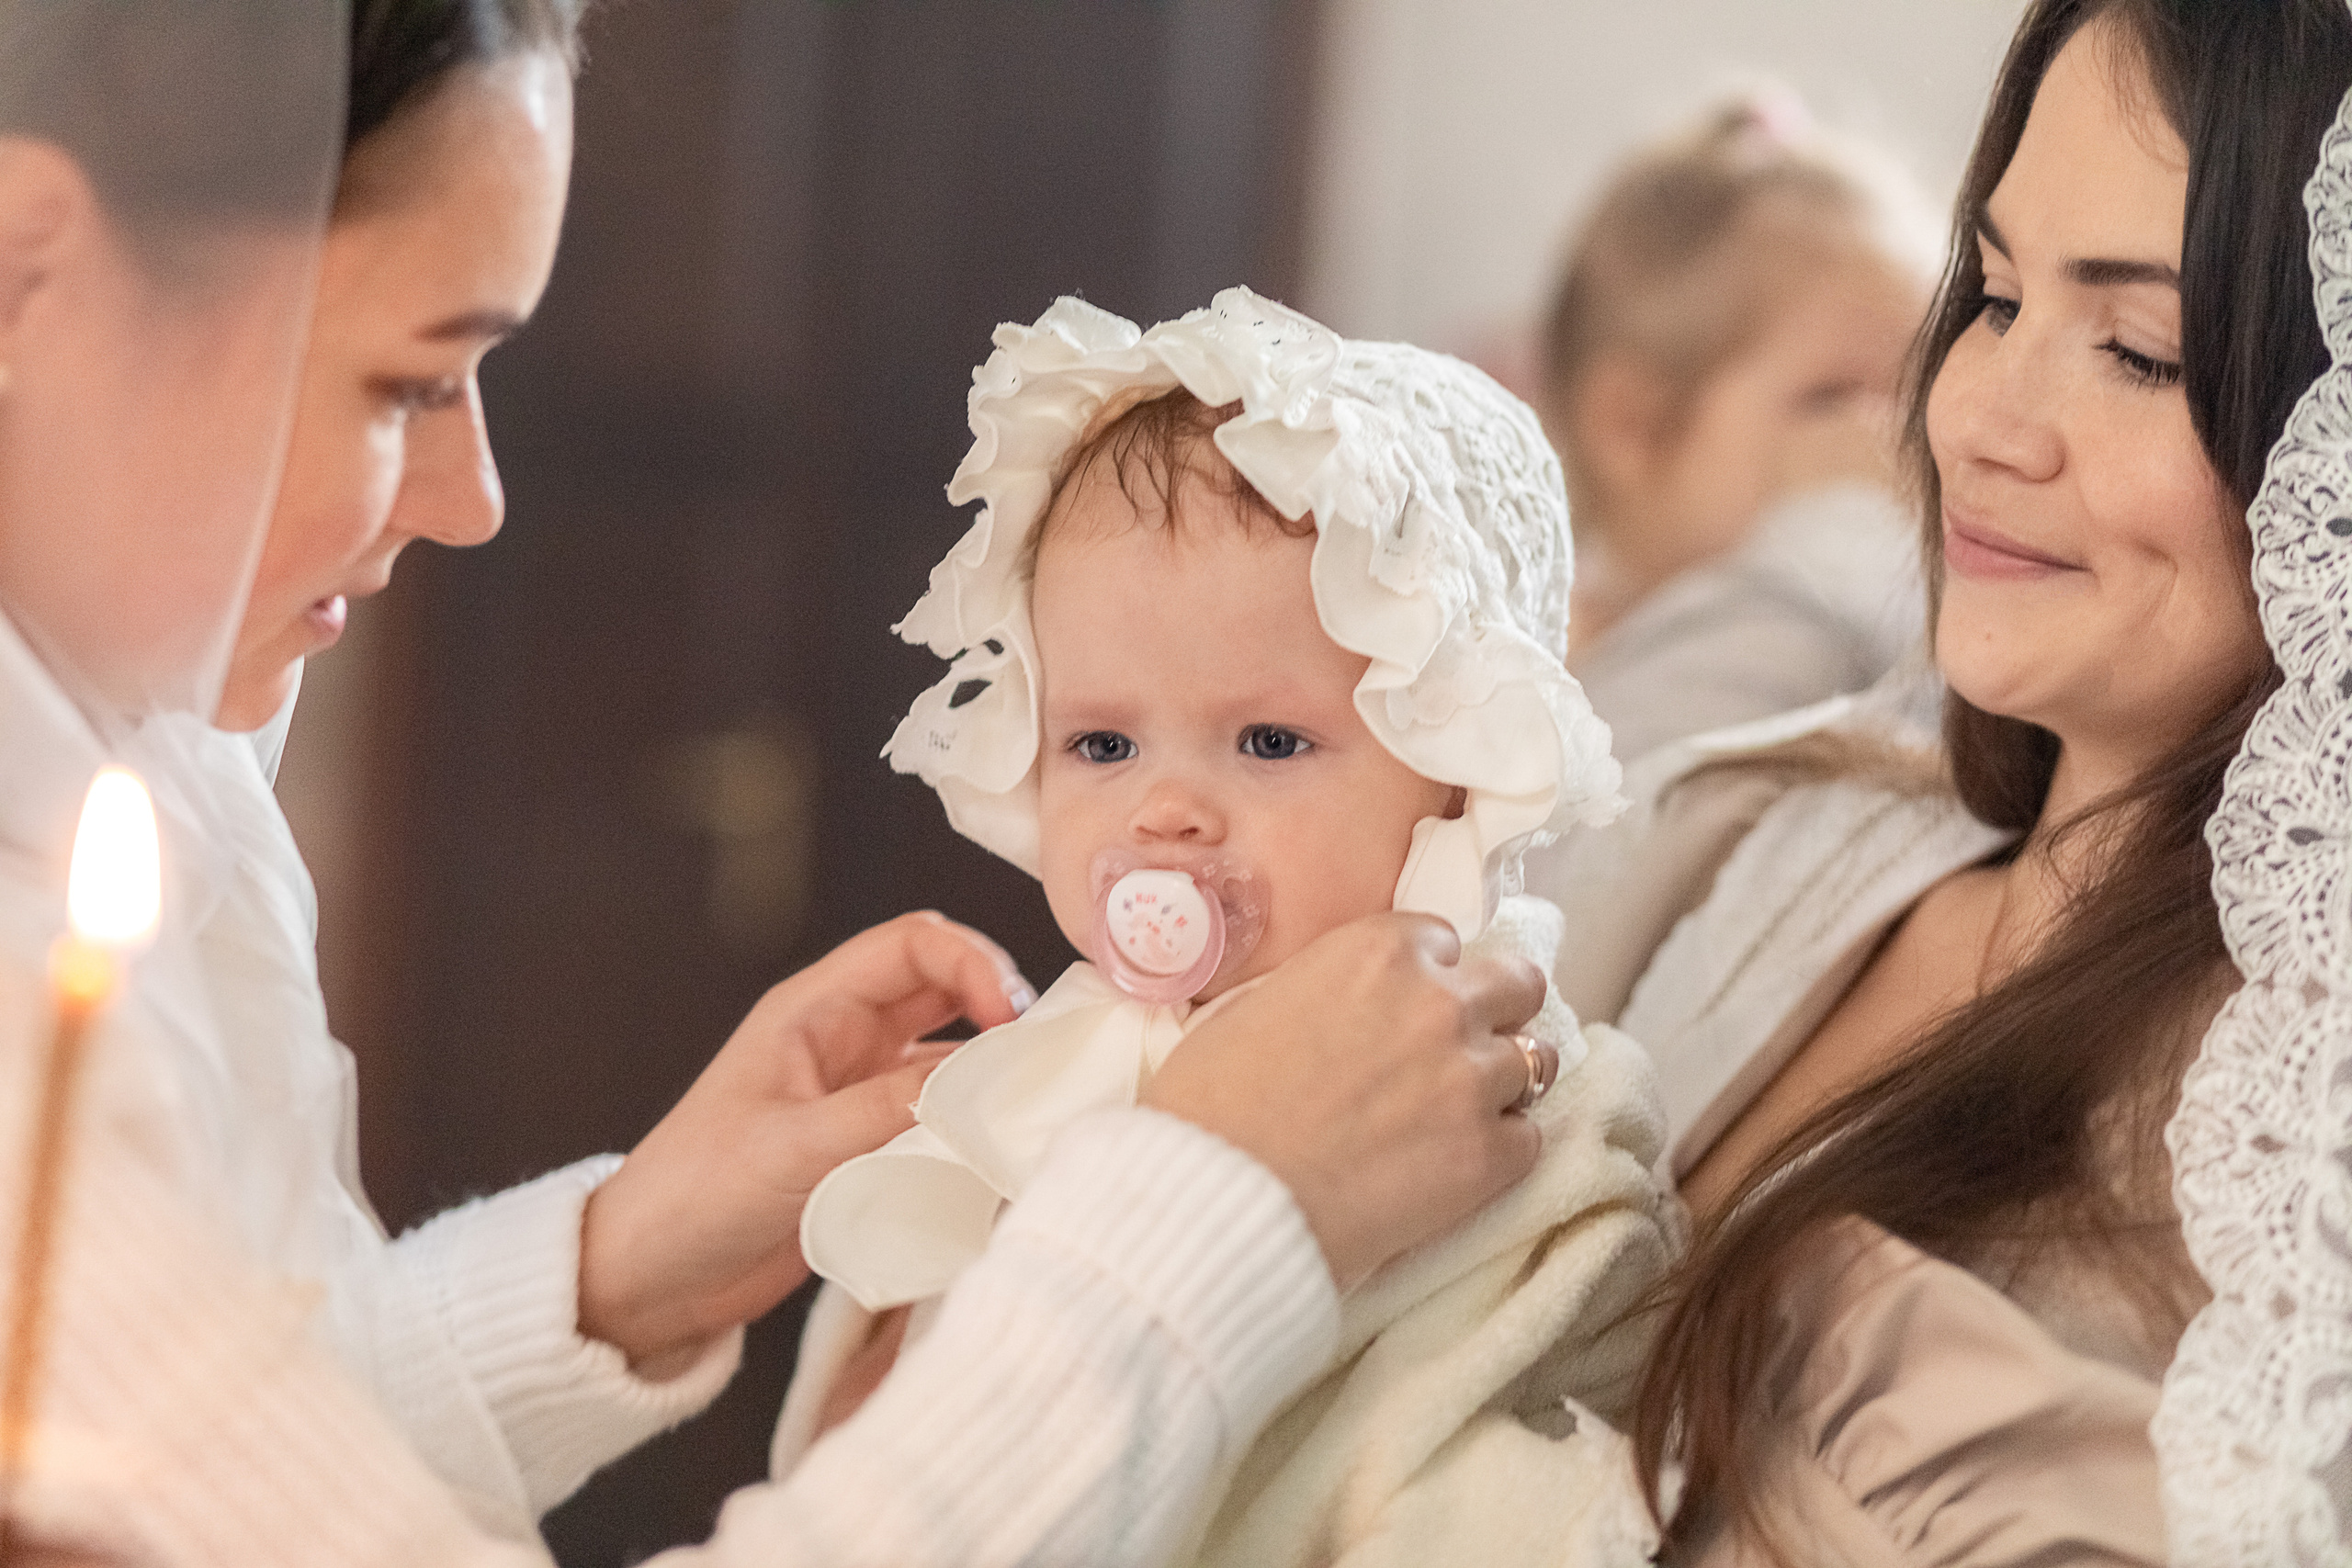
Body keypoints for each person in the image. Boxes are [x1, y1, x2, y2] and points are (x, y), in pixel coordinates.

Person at [0, 2, 1556, 1562]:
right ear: (25, 273)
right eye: (408, 384)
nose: (475, 499)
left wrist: (615, 1265)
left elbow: (222, 1484)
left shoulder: (147, 758)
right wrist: (1214, 1219)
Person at [1521, 0, 2352, 1560]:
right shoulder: (1780, 819)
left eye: (2136, 350)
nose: (1974, 419)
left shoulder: (2275, 1167)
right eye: (1994, 292)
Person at [775, 293, 1673, 1567]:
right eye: (1101, 741)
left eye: (1267, 741)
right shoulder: (1048, 1055)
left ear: (1459, 772)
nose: (1166, 810)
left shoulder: (1529, 1082)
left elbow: (1536, 1384)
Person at [1537, 91, 1940, 762]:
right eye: (1835, 400)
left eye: (1918, 402)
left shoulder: (1893, 622)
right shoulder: (1546, 665)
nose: (1889, 446)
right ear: (1632, 428)